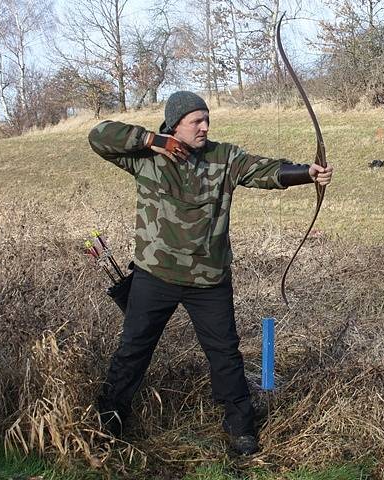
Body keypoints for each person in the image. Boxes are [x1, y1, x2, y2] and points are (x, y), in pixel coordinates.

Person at [87, 91, 333, 455]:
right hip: (156, 275)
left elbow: (261, 170)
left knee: (225, 354)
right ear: (175, 124)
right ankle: (109, 422)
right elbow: (99, 136)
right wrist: (151, 141)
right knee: (133, 349)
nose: (204, 127)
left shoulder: (223, 157)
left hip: (209, 279)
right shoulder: (146, 157)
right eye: (195, 121)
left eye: (207, 120)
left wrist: (305, 173)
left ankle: (240, 427)